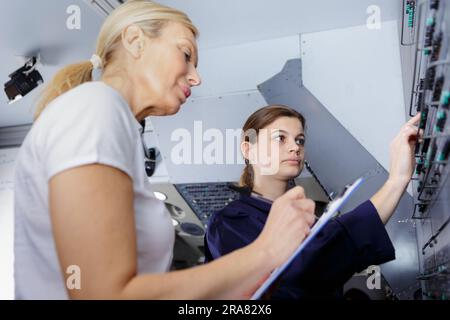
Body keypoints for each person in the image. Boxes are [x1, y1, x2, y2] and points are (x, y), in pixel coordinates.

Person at [13, 1, 316, 299]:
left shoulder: (115, 126)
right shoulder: (97, 107)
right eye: (186, 54)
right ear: (135, 41)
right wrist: (267, 251)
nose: (196, 77)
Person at [204, 105, 422, 299]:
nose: (295, 147)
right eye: (280, 138)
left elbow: (331, 252)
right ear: (248, 149)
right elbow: (307, 266)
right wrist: (396, 181)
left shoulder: (305, 215)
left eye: (299, 140)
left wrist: (399, 179)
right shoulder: (228, 223)